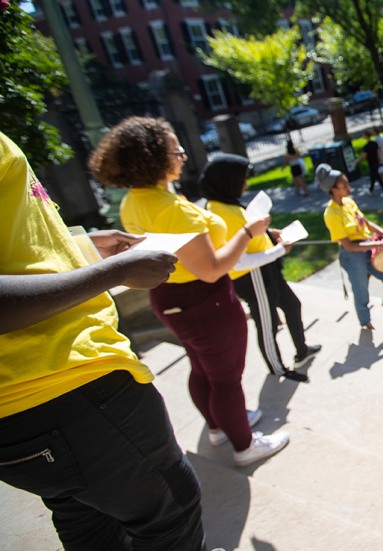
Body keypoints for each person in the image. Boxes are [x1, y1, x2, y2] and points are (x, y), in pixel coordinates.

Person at [0, 131, 207, 550]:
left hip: (28, 409)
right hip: (68, 385)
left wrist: (79, 248)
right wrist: (112, 273)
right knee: (173, 515)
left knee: (86, 517)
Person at [91, 116, 290, 468]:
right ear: (152, 158)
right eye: (175, 149)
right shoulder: (174, 211)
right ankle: (245, 446)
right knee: (227, 380)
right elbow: (212, 268)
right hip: (206, 301)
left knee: (202, 369)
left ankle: (218, 428)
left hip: (168, 298)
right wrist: (247, 231)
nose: (182, 155)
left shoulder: (134, 201)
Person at [200, 153, 321, 383]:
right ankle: (278, 369)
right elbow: (238, 260)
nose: (245, 184)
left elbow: (247, 233)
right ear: (226, 180)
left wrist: (269, 233)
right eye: (241, 179)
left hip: (266, 270)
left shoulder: (227, 203)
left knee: (292, 305)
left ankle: (302, 351)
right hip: (252, 276)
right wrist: (279, 251)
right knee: (268, 325)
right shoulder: (219, 213)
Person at [320, 164, 383, 330]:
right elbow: (348, 246)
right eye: (344, 186)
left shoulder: (349, 202)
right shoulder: (331, 214)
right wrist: (381, 243)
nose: (349, 188)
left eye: (347, 183)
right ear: (334, 190)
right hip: (353, 256)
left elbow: (366, 223)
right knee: (361, 292)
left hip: (369, 248)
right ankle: (365, 322)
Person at [357, 129, 383, 195]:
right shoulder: (374, 143)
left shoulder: (366, 146)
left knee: (377, 177)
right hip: (376, 162)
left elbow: (363, 155)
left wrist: (357, 160)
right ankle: (370, 190)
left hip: (371, 163)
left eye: (363, 135)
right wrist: (380, 160)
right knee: (373, 176)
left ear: (366, 136)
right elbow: (379, 152)